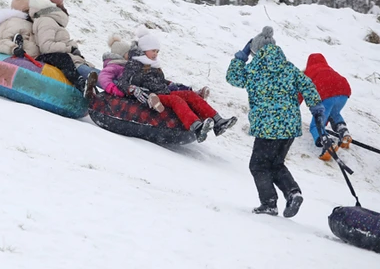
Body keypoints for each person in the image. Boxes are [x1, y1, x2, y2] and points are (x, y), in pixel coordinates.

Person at [226, 26, 324, 218]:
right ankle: (293, 192)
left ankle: (269, 203)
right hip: (289, 126)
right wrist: (317, 109)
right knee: (276, 163)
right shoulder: (288, 67)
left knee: (258, 165)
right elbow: (307, 85)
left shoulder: (254, 69)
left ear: (255, 51)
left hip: (267, 127)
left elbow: (232, 77)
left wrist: (242, 55)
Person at [110, 29, 238, 143]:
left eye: (157, 51)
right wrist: (133, 89)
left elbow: (161, 81)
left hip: (163, 92)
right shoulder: (135, 64)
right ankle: (196, 127)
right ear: (144, 49)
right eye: (153, 51)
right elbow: (122, 82)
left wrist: (174, 85)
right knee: (176, 100)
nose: (155, 54)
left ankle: (218, 122)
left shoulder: (152, 65)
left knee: (189, 95)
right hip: (152, 96)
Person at [27, 0, 97, 90]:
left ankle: (94, 90)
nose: (64, 10)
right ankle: (82, 85)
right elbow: (46, 46)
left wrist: (73, 46)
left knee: (82, 64)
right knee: (67, 60)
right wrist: (69, 48)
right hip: (48, 56)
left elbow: (59, 41)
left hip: (57, 54)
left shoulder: (51, 21)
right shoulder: (46, 21)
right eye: (61, 6)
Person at [303, 53, 352, 160]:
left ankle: (327, 143)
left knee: (315, 125)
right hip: (344, 91)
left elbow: (299, 93)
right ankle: (343, 132)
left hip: (327, 93)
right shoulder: (328, 68)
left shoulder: (308, 72)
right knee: (334, 113)